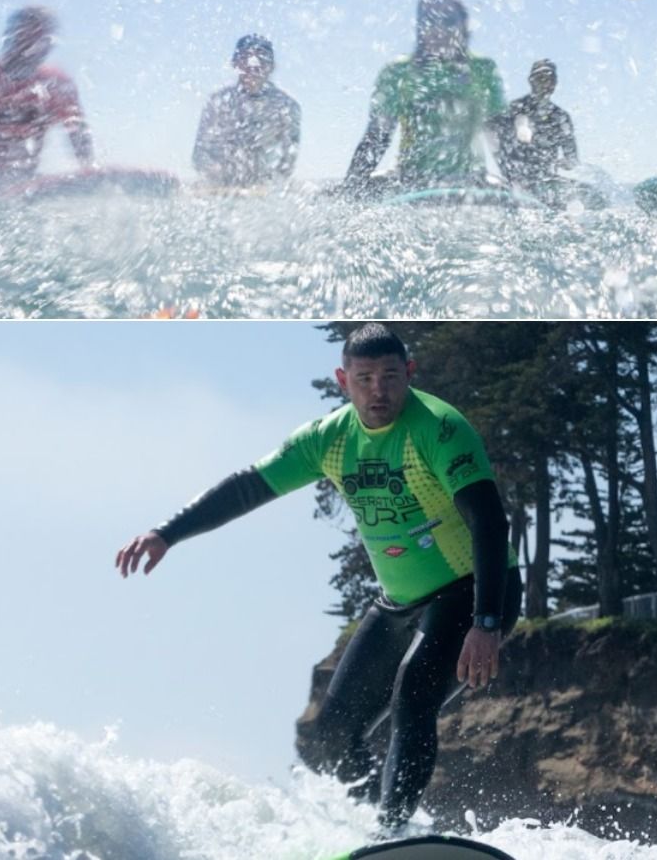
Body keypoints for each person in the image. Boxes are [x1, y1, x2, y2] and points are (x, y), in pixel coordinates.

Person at [114, 324, 520, 835]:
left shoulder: (439, 429)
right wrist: (166, 533)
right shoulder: (329, 439)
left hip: (475, 589)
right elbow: (247, 487)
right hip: (398, 602)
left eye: (391, 377)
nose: (379, 391)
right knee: (332, 736)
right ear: (342, 380)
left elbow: (487, 520)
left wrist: (485, 622)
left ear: (409, 374)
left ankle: (390, 833)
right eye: (364, 378)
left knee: (413, 693)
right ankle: (394, 834)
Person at [346, 0, 506, 193]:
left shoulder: (483, 69)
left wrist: (521, 186)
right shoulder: (398, 72)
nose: (438, 29)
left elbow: (500, 136)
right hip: (409, 178)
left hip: (471, 179)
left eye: (448, 21)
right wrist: (351, 188)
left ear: (463, 27)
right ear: (419, 27)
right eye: (429, 21)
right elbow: (377, 137)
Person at [0, 6, 95, 179]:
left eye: (40, 39)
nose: (31, 46)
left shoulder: (55, 85)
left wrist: (89, 170)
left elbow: (77, 131)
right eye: (24, 36)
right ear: (9, 37)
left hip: (22, 184)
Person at [192, 34, 301, 187]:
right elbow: (199, 154)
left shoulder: (287, 107)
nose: (253, 65)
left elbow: (287, 162)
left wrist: (267, 185)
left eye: (261, 58)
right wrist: (216, 174)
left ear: (271, 66)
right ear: (235, 63)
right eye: (245, 58)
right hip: (219, 191)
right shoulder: (217, 103)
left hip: (265, 194)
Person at [493, 59, 578, 201]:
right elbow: (487, 135)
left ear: (555, 84)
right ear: (531, 81)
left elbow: (572, 160)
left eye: (550, 79)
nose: (545, 83)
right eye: (540, 78)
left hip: (544, 185)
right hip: (513, 183)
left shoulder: (561, 117)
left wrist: (563, 163)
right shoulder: (513, 109)